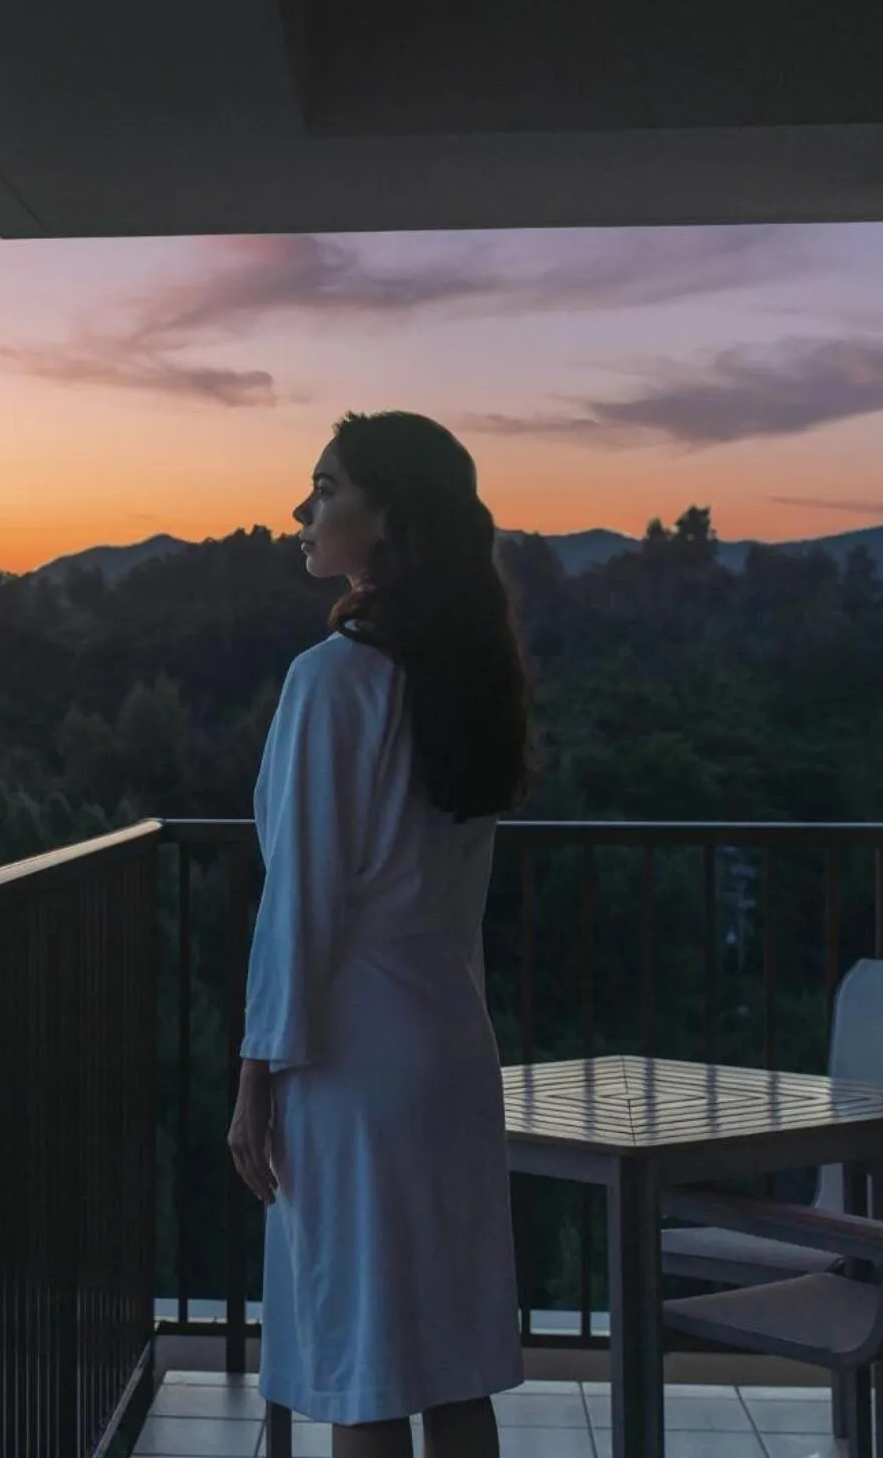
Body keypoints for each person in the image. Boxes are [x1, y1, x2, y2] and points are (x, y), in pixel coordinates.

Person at [227, 411, 531, 1458]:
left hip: (354, 1060)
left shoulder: (334, 680)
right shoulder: (465, 681)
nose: (301, 510)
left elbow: (302, 899)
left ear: (384, 514)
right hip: (448, 1049)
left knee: (364, 1372)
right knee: (448, 1371)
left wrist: (255, 1078)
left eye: (323, 487)